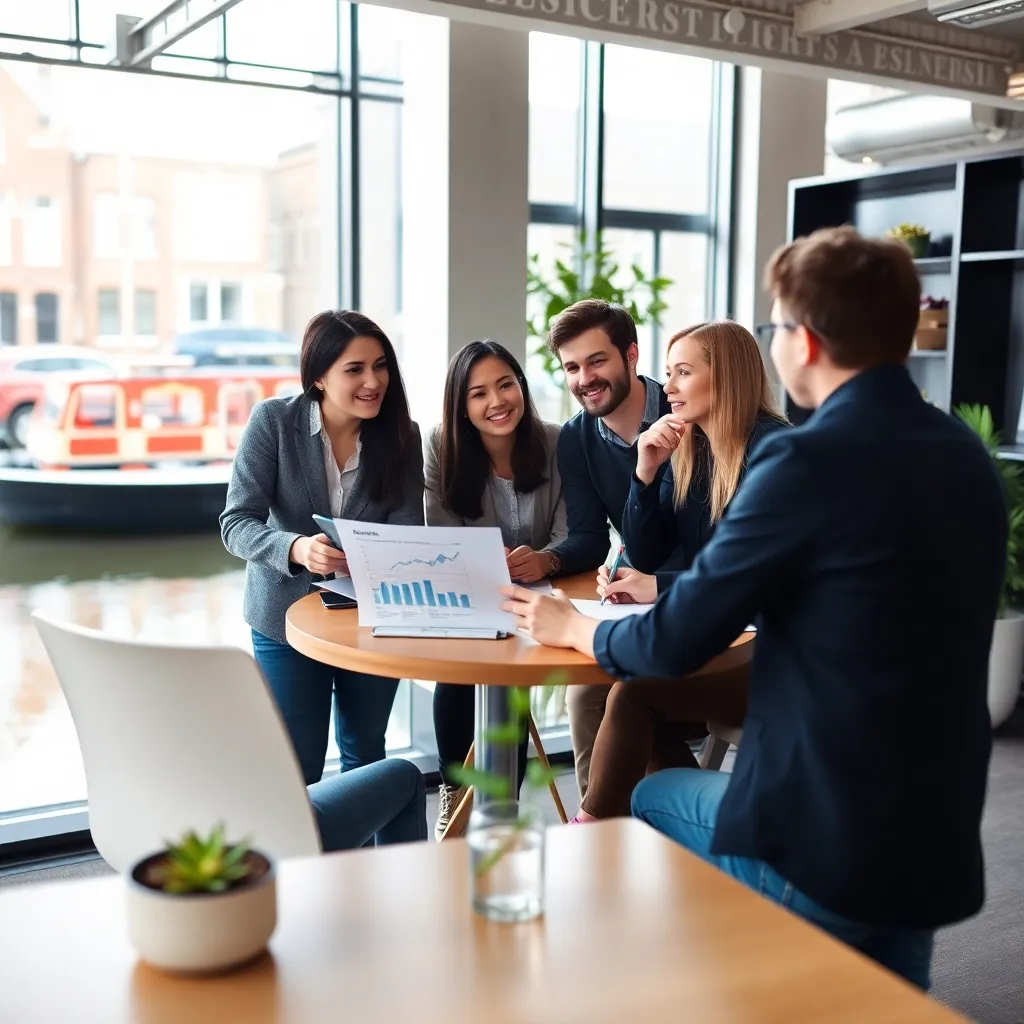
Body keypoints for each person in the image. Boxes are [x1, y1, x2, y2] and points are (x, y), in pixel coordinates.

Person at [501, 225, 1006, 990]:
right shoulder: (965, 456)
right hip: (934, 828)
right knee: (886, 1004)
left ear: (803, 343)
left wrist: (572, 627)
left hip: (820, 831)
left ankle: (626, 947)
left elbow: (674, 639)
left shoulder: (804, 460)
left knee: (648, 794)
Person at [221, 309, 427, 848]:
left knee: (366, 754)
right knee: (298, 762)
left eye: (380, 366)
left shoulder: (402, 436)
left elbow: (408, 532)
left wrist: (369, 554)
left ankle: (370, 882)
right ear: (318, 376)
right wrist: (294, 547)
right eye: (354, 369)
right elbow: (235, 523)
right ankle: (301, 882)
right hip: (284, 619)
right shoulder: (273, 423)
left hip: (369, 618)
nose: (373, 382)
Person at [569, 321, 789, 823]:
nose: (666, 386)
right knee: (631, 696)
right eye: (668, 372)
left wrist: (660, 587)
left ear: (727, 377)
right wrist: (645, 471)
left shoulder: (775, 453)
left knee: (635, 692)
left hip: (779, 658)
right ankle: (655, 831)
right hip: (723, 643)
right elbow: (645, 553)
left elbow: (762, 585)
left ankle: (594, 831)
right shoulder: (690, 445)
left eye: (683, 372)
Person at [424, 339, 567, 839]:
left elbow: (573, 532)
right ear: (461, 406)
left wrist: (546, 557)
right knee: (460, 670)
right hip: (471, 592)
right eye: (478, 393)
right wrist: (486, 567)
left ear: (521, 386)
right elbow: (439, 533)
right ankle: (453, 790)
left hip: (538, 594)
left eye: (506, 384)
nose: (496, 401)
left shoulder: (553, 441)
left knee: (516, 677)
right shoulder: (443, 448)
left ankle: (502, 802)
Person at [544, 299, 670, 798]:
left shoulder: (685, 417)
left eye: (597, 361)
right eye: (572, 367)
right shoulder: (576, 438)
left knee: (628, 694)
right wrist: (549, 559)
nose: (584, 378)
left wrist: (644, 575)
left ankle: (647, 823)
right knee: (584, 693)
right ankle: (597, 828)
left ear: (631, 357)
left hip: (696, 595)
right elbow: (590, 537)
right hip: (634, 593)